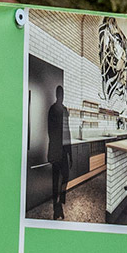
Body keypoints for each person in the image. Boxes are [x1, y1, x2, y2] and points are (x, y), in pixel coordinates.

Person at [48, 83, 71, 219]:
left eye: (62, 94)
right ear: (57, 95)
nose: (61, 96)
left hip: (62, 149)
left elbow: (67, 130)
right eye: (60, 94)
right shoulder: (53, 110)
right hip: (57, 149)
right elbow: (50, 131)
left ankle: (60, 201)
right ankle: (56, 205)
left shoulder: (64, 110)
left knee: (64, 176)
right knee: (56, 179)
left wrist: (70, 152)